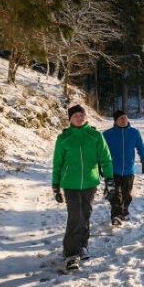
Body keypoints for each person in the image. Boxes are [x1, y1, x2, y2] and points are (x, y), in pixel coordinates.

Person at [51, 104, 113, 270]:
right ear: (70, 119)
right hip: (70, 183)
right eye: (76, 115)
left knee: (85, 214)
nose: (79, 117)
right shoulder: (64, 138)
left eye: (82, 115)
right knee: (75, 216)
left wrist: (109, 179)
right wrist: (55, 185)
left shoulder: (95, 136)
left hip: (90, 182)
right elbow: (57, 163)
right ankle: (71, 254)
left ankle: (82, 245)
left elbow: (106, 158)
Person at [101, 110, 144, 226]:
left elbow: (140, 147)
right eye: (121, 118)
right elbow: (101, 151)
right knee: (114, 194)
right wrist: (99, 164)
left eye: (125, 118)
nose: (123, 120)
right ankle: (116, 215)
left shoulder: (134, 133)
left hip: (128, 170)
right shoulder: (108, 134)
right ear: (115, 120)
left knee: (127, 195)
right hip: (112, 170)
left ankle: (124, 209)